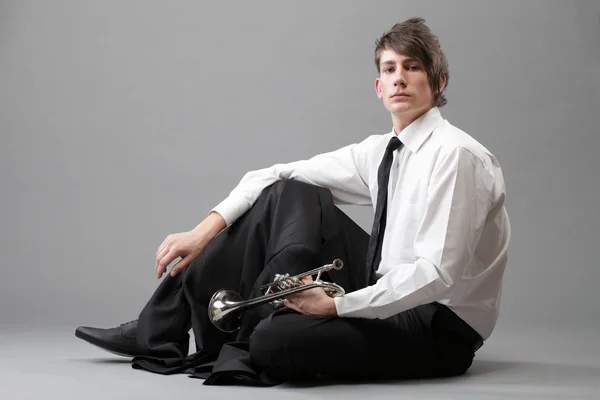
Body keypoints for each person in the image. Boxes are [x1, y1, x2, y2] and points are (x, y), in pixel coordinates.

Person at [75, 17, 510, 386]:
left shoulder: (455, 155)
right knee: (290, 190)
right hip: (387, 287)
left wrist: (337, 305)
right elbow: (274, 174)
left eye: (412, 67)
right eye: (390, 68)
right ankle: (165, 324)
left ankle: (250, 327)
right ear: (378, 86)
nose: (400, 77)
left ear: (438, 82)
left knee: (274, 342)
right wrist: (202, 231)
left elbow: (438, 275)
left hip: (436, 324)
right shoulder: (381, 152)